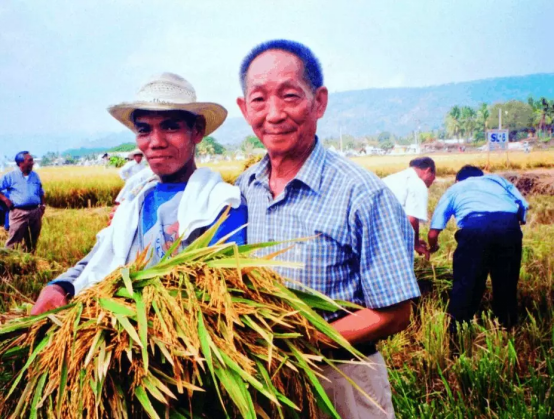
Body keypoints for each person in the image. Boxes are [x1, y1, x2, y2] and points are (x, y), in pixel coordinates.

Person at [235, 40, 420, 419]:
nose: (273, 114)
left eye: (289, 96)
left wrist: (306, 342)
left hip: (342, 379)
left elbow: (396, 312)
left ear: (319, 101)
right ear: (243, 108)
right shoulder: (242, 189)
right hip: (263, 382)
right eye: (258, 100)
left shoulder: (362, 193)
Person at [31, 72, 247, 315]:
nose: (155, 142)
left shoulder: (220, 204)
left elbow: (224, 293)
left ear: (196, 131)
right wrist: (59, 287)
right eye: (144, 130)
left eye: (170, 127)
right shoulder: (135, 199)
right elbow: (100, 257)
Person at [428, 165, 528, 330]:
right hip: (509, 227)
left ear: (458, 179)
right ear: (482, 175)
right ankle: (507, 327)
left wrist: (433, 246)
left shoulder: (455, 188)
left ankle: (458, 332)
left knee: (466, 284)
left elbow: (433, 232)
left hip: (475, 228)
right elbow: (522, 205)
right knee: (507, 282)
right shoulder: (497, 180)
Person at [383, 157, 436, 258]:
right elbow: (411, 219)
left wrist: (411, 239)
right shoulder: (417, 183)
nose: (431, 182)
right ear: (428, 170)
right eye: (433, 177)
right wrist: (415, 244)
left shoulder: (393, 178)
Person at [0, 151, 46, 252]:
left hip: (35, 212)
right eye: (30, 160)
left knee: (33, 239)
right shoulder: (10, 176)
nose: (32, 163)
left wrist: (43, 206)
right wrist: (5, 200)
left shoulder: (35, 176)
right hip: (18, 212)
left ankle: (29, 260)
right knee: (14, 240)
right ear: (21, 163)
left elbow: (41, 192)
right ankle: (10, 262)